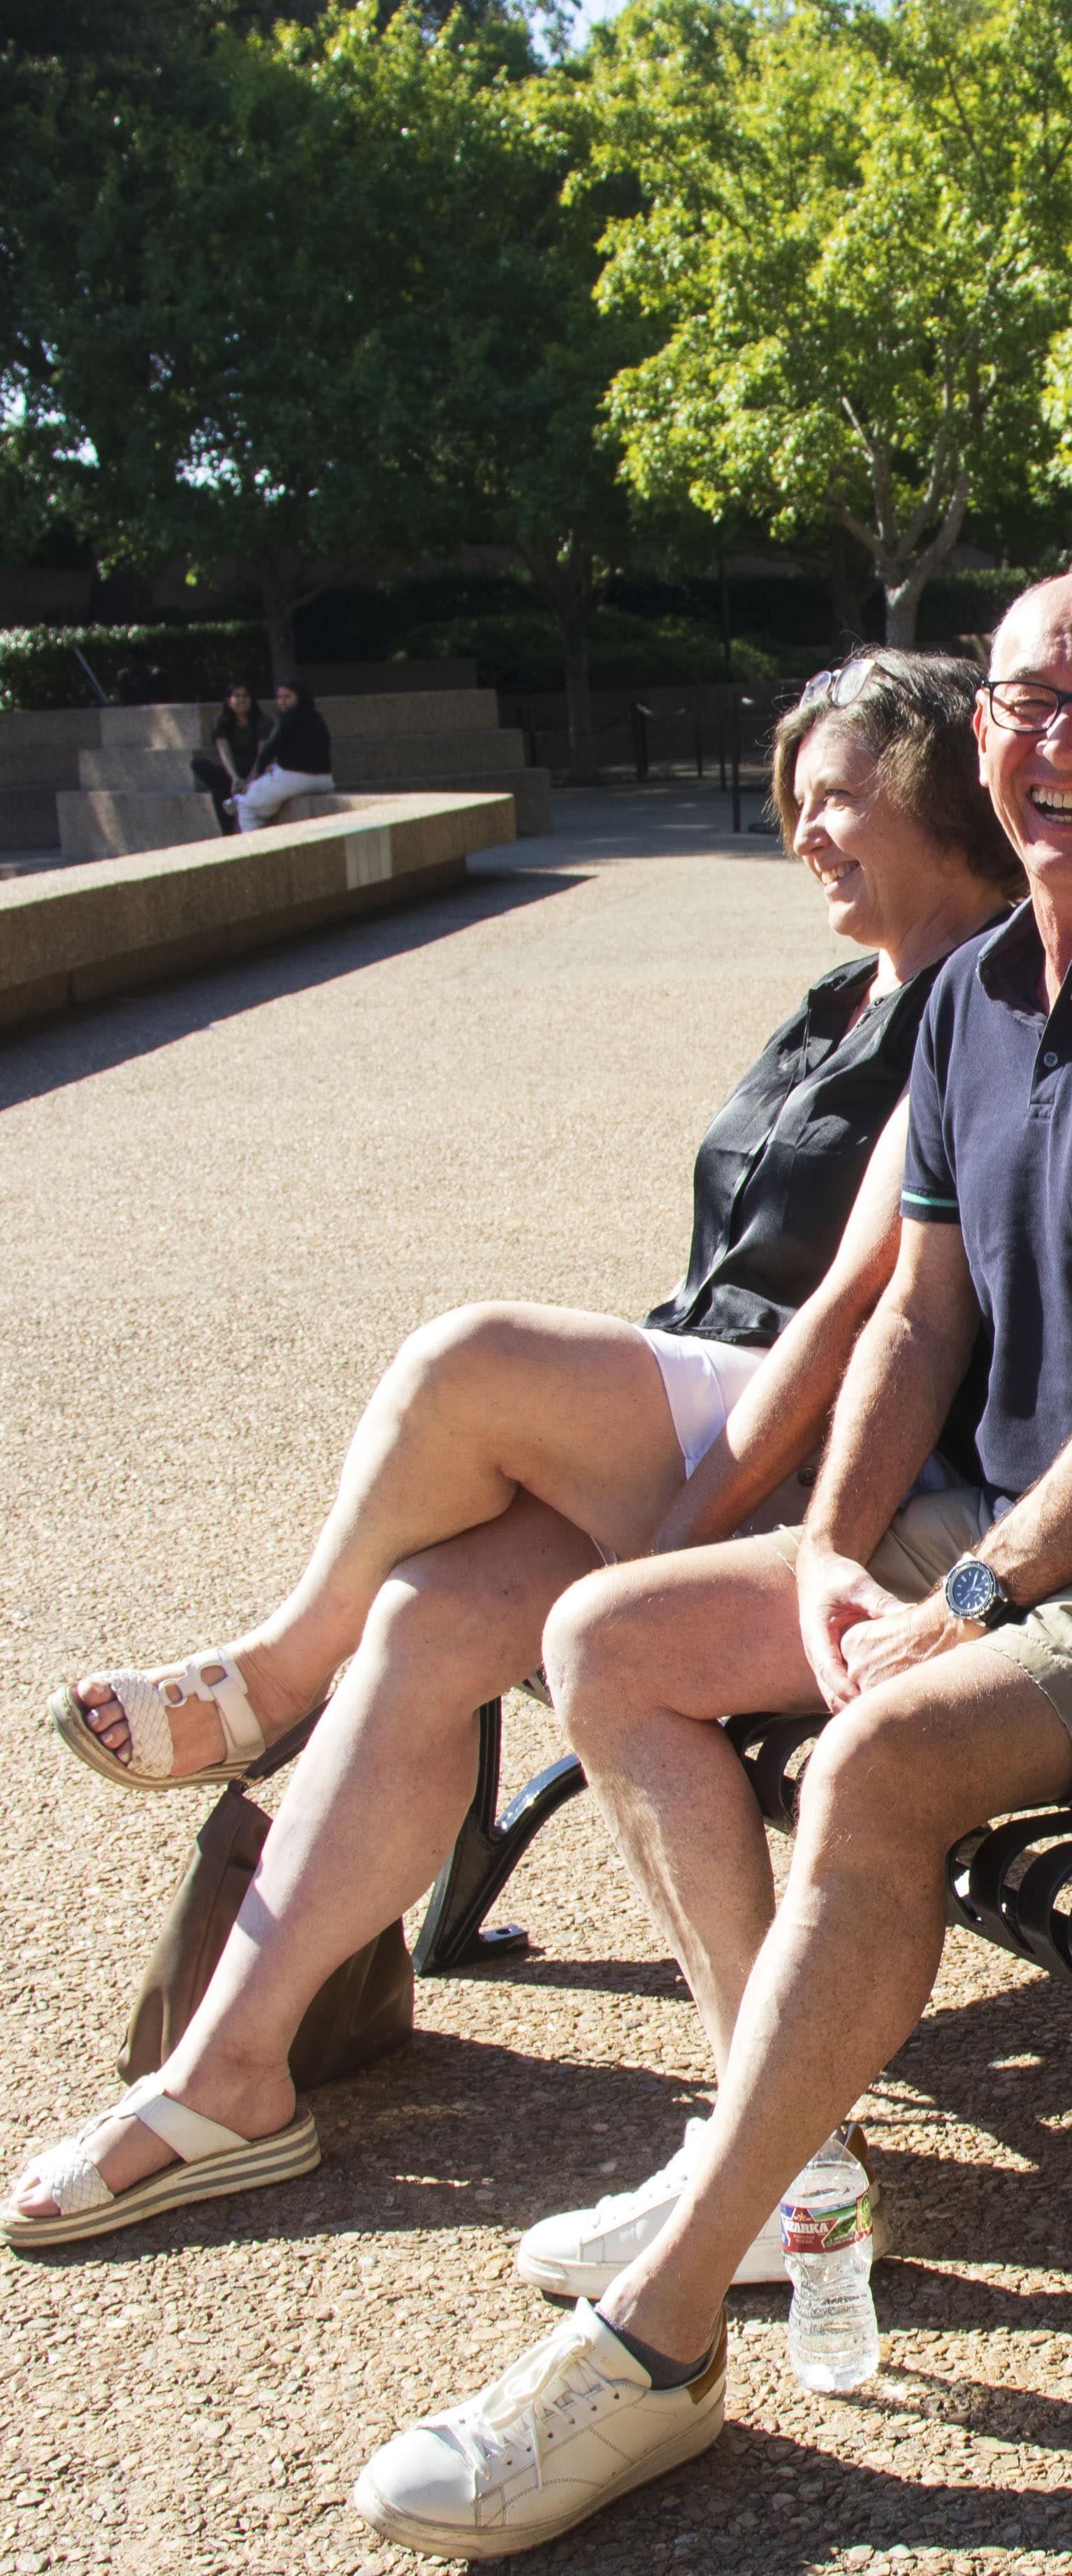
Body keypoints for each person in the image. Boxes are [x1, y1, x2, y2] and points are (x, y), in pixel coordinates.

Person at [349, 561, 1072, 2557]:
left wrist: (973, 1599)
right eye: (1033, 703)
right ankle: (796, 2162)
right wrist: (837, 1557)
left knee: (879, 1760)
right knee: (608, 1638)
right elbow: (916, 1326)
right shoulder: (982, 991)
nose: (1067, 746)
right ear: (981, 727)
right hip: (1000, 1535)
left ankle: (655, 2348)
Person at [9, 654, 1020, 2256]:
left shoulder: (982, 987)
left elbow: (848, 1327)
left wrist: (664, 1543)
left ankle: (267, 1679)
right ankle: (231, 2078)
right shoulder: (850, 997)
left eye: (844, 794)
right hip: (708, 1411)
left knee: (464, 1362)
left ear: (944, 795)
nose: (810, 831)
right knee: (420, 1624)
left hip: (809, 1456)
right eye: (796, 800)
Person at [231, 672, 335, 828]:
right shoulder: (317, 717)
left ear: (299, 697)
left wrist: (254, 777)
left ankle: (255, 849)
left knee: (247, 805)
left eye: (288, 697)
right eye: (279, 697)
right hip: (325, 781)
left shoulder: (289, 716)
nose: (282, 702)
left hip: (296, 779)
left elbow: (271, 747)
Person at [192, 682, 273, 835]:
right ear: (229, 701)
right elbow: (225, 753)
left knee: (219, 791)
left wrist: (250, 779)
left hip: (255, 770)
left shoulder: (262, 722)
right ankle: (228, 833)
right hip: (233, 772)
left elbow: (262, 755)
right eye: (237, 696)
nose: (241, 700)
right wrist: (235, 778)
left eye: (245, 696)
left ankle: (229, 828)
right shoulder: (221, 722)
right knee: (198, 765)